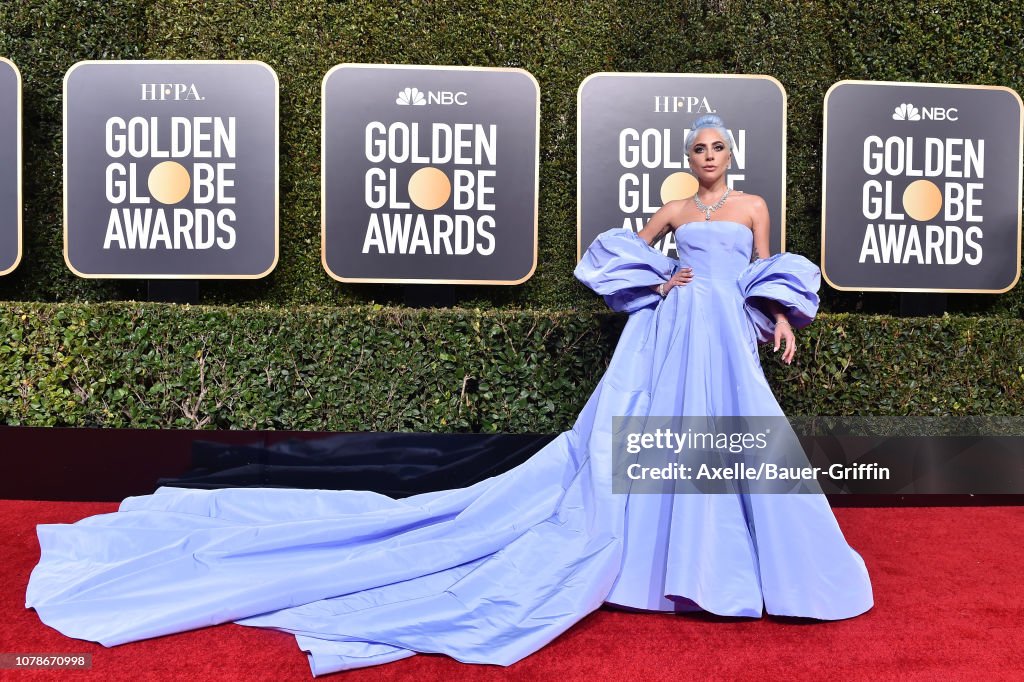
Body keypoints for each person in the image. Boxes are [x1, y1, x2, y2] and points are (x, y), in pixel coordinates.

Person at [26, 114, 872, 677]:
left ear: (734, 154)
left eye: (716, 148)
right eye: (697, 149)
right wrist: (666, 275)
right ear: (687, 158)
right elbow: (614, 251)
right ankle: (670, 566)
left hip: (725, 334)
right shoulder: (673, 204)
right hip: (676, 329)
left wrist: (777, 315)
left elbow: (768, 269)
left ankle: (733, 568)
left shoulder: (757, 206)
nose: (707, 158)